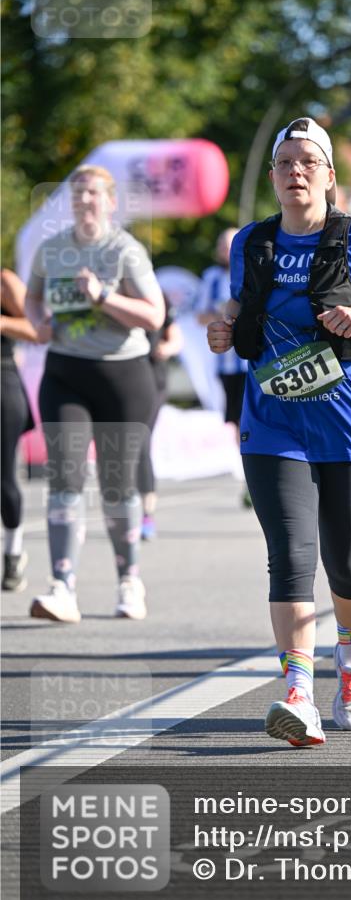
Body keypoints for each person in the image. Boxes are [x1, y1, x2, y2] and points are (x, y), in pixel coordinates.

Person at [207, 117, 351, 746]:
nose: (295, 171)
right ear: (274, 177)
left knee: (347, 565)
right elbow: (239, 307)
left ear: (329, 177)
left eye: (308, 161)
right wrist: (224, 328)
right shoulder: (250, 243)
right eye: (284, 163)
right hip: (273, 422)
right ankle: (298, 694)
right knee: (290, 558)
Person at [25, 164, 165, 623]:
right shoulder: (53, 249)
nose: (83, 200)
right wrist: (39, 323)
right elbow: (33, 298)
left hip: (123, 377)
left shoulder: (124, 250)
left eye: (92, 194)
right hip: (66, 373)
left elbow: (154, 316)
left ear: (110, 202)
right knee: (64, 476)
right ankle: (62, 586)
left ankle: (130, 581)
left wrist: (103, 296)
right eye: (77, 193)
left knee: (116, 484)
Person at [197, 228, 250, 506]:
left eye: (228, 245)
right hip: (227, 364)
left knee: (251, 418)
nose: (223, 250)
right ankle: (247, 473)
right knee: (236, 421)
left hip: (252, 362)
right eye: (220, 245)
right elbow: (199, 315)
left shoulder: (254, 269)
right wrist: (225, 312)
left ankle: (255, 473)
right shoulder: (212, 278)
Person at [1, 269, 37, 592]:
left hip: (3, 382)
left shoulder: (4, 281)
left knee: (4, 478)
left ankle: (13, 552)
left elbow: (37, 329)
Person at [137, 292, 183, 540]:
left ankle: (146, 513)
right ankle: (123, 510)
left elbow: (175, 337)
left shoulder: (158, 294)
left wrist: (166, 348)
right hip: (116, 378)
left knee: (141, 442)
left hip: (151, 378)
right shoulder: (105, 293)